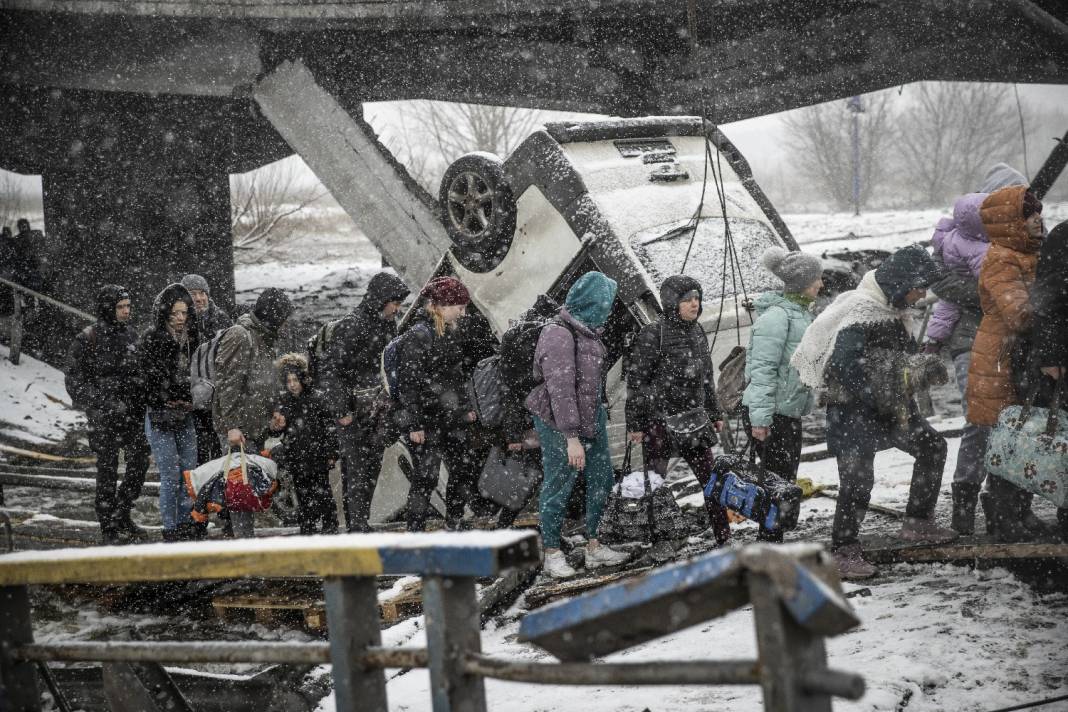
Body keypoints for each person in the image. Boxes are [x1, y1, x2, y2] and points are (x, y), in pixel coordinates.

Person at [792, 245, 955, 579]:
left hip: (892, 410)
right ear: (900, 282)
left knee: (932, 447)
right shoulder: (860, 311)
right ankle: (843, 550)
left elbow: (900, 360)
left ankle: (917, 522)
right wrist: (876, 394)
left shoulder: (895, 310)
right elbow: (844, 365)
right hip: (854, 412)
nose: (922, 293)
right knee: (857, 480)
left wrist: (918, 369)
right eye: (918, 286)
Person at [527, 271, 630, 578]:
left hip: (591, 416)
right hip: (559, 421)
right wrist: (571, 437)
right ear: (591, 302)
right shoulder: (558, 333)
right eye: (605, 303)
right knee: (560, 481)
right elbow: (560, 389)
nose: (609, 310)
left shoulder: (589, 332)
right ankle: (552, 553)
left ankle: (595, 546)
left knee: (602, 478)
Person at [625, 274, 732, 547]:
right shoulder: (653, 333)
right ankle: (659, 540)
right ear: (673, 303)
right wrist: (636, 424)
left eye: (697, 298)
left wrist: (715, 413)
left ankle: (723, 537)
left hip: (693, 420)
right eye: (687, 300)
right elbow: (636, 382)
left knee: (711, 480)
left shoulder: (697, 331)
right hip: (658, 421)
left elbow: (706, 377)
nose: (694, 304)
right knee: (655, 484)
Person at [966, 186, 1048, 542]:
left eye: (1039, 213)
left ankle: (1020, 512)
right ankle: (1002, 516)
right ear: (1012, 222)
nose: (1038, 221)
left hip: (1016, 355)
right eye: (1030, 215)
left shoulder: (1027, 253)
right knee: (1009, 438)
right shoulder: (1002, 258)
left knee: (1023, 435)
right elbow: (1018, 313)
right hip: (1003, 357)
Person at [317, 272, 410, 532]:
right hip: (354, 411)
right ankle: (357, 525)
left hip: (376, 410)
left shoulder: (384, 324)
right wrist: (341, 410)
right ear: (382, 300)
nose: (398, 308)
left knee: (370, 468)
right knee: (357, 470)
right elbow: (331, 369)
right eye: (395, 302)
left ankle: (361, 522)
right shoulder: (353, 325)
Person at [740, 247, 823, 536]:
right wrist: (760, 420)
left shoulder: (801, 314)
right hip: (771, 413)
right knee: (776, 485)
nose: (821, 284)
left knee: (784, 482)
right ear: (803, 283)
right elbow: (761, 371)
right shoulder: (777, 317)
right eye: (817, 279)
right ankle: (769, 542)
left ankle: (774, 539)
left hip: (786, 411)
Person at [921, 193, 990, 533]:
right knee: (979, 417)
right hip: (970, 339)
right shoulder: (952, 249)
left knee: (1008, 420)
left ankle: (1002, 502)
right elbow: (947, 289)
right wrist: (991, 290)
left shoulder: (1011, 235)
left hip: (1006, 337)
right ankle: (965, 499)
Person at [65, 285, 151, 544]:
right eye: (120, 307)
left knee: (139, 461)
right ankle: (108, 526)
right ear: (108, 309)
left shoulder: (132, 336)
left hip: (132, 413)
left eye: (128, 306)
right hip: (104, 418)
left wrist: (139, 387)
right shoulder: (87, 338)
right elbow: (75, 382)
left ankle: (122, 511)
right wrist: (104, 402)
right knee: (107, 470)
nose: (126, 311)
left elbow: (141, 371)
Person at [393, 276, 480, 532]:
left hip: (451, 417)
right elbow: (409, 384)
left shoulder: (450, 331)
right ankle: (415, 532)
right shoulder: (418, 336)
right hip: (428, 420)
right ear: (440, 306)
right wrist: (414, 423)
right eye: (459, 307)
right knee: (426, 477)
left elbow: (455, 378)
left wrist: (465, 409)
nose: (463, 313)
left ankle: (453, 521)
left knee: (463, 469)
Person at [213, 287, 293, 537]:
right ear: (273, 317)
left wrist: (274, 411)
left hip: (255, 425)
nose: (285, 325)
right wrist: (232, 426)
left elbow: (265, 381)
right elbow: (227, 383)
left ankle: (239, 538)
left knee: (247, 486)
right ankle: (241, 543)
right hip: (239, 428)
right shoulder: (240, 335)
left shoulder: (265, 338)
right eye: (283, 319)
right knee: (240, 487)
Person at [140, 283, 200, 542]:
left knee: (189, 472)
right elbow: (146, 380)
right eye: (175, 313)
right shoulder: (152, 340)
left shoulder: (193, 339)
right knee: (170, 475)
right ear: (165, 313)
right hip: (161, 415)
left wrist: (189, 397)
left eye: (184, 313)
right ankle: (171, 526)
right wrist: (166, 397)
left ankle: (188, 522)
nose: (180, 318)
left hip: (186, 413)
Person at [270, 354, 340, 535]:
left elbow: (329, 428)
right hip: (296, 456)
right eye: (288, 381)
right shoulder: (284, 401)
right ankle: (308, 526)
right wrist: (277, 425)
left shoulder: (317, 398)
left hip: (317, 455)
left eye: (295, 380)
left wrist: (331, 453)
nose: (292, 384)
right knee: (303, 493)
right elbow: (277, 429)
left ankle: (329, 525)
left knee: (323, 492)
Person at [180, 274, 233, 466]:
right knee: (198, 453)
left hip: (216, 396)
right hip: (192, 397)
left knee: (219, 451)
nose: (199, 298)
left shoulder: (221, 319)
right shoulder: (181, 322)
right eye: (193, 294)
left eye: (202, 293)